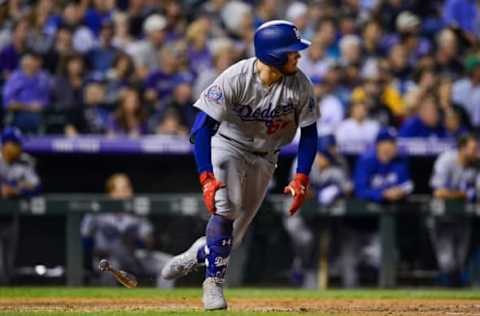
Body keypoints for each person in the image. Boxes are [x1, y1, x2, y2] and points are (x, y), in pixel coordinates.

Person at [161, 20, 319, 310]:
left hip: (267, 155)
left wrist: (301, 177)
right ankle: (213, 286)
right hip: (228, 145)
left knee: (233, 237)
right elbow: (202, 128)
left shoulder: (300, 84)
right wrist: (206, 177)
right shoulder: (235, 77)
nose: (298, 55)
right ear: (273, 55)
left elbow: (309, 134)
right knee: (226, 210)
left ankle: (196, 254)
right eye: (292, 51)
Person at [80, 173, 174, 288]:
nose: (129, 192)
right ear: (112, 193)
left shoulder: (136, 212)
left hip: (133, 256)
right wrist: (91, 256)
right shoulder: (98, 211)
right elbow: (84, 236)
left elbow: (147, 238)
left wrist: (146, 240)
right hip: (107, 258)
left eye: (129, 188)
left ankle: (164, 301)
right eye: (124, 188)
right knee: (108, 265)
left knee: (168, 263)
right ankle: (108, 303)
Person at [349, 128, 413, 287]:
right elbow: (360, 190)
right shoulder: (366, 160)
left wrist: (401, 192)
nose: (390, 147)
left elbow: (407, 185)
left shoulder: (399, 162)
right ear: (378, 145)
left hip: (381, 225)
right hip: (357, 223)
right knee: (349, 266)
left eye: (393, 143)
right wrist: (382, 195)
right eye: (386, 143)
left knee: (384, 257)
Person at [283, 141, 352, 288]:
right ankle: (300, 264)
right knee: (304, 238)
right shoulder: (302, 161)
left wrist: (336, 191)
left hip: (319, 214)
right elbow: (299, 189)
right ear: (318, 155)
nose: (327, 161)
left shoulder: (336, 163)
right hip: (296, 209)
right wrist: (321, 193)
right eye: (325, 156)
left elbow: (348, 188)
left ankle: (308, 270)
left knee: (327, 237)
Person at [429, 134, 479, 286]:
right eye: (473, 149)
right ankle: (443, 290)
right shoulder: (446, 160)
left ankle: (457, 296)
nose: (476, 153)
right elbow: (438, 191)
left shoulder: (476, 165)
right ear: (462, 148)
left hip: (463, 217)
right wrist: (463, 194)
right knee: (447, 261)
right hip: (443, 217)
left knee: (460, 260)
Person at [0, 127, 41, 284]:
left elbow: (36, 186)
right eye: (16, 144)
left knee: (8, 265)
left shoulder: (24, 161)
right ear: (6, 145)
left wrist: (14, 188)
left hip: (11, 216)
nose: (19, 148)